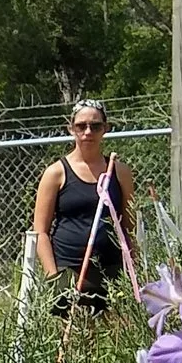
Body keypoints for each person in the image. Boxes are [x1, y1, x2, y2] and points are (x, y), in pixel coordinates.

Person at [33, 99, 135, 314]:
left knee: (114, 340)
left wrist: (134, 269)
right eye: (81, 126)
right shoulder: (56, 173)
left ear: (105, 129)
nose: (88, 132)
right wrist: (55, 279)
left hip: (112, 271)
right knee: (75, 341)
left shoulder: (120, 172)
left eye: (95, 126)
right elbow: (40, 231)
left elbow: (128, 227)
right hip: (70, 270)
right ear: (71, 129)